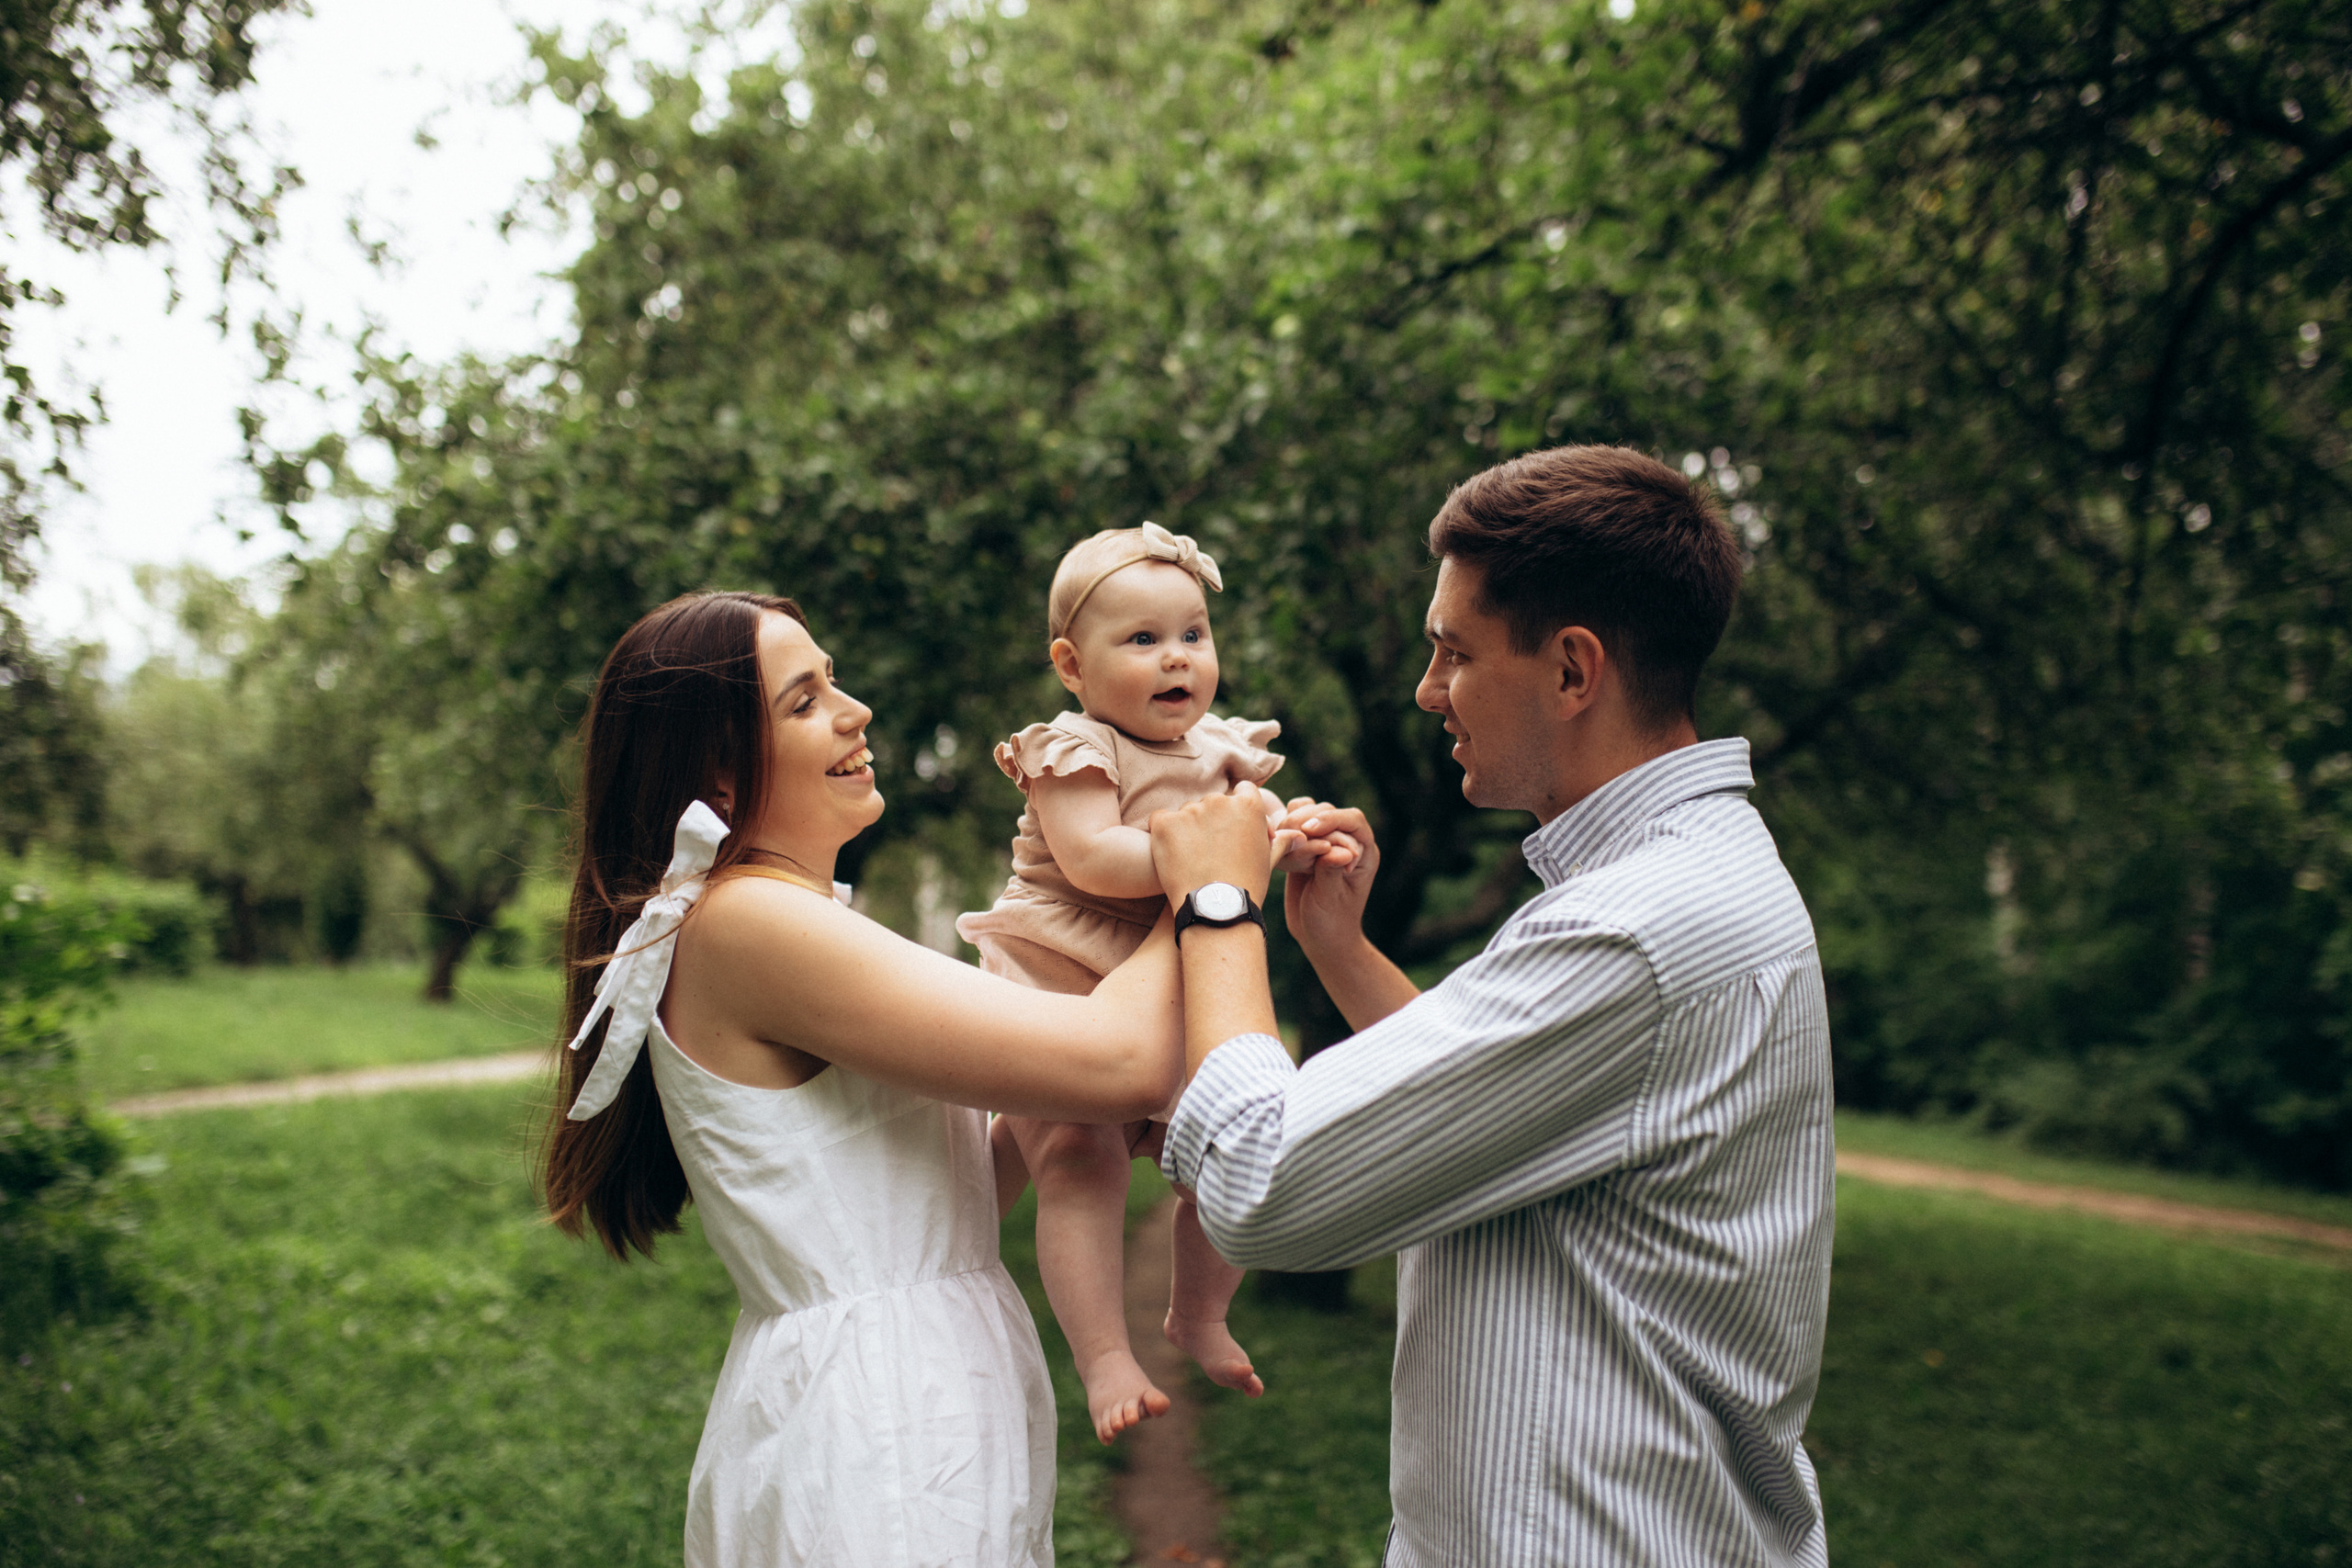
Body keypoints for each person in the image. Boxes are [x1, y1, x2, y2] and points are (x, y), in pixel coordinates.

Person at [1148, 445, 1837, 1566]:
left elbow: (1263, 1186)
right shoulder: (1691, 877)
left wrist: (1217, 903)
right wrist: (1336, 945)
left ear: (1572, 672)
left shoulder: (1636, 927)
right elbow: (1504, 1109)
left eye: (1453, 652)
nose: (1426, 691)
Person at [537, 591, 1202, 1568]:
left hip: (913, 1396)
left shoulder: (771, 919)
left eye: (833, 681)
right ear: (719, 772)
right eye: (804, 702)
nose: (856, 712)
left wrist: (1042, 1112)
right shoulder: (748, 922)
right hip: (881, 1427)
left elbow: (931, 1191)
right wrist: (1210, 881)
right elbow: (1122, 1059)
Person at [957, 522, 1299, 1442]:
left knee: (1233, 1146)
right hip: (1062, 975)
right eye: (1141, 641)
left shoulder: (1220, 745)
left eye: (1192, 635)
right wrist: (1210, 853)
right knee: (1080, 1157)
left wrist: (1288, 835)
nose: (1175, 660)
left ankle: (1197, 1314)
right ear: (1072, 665)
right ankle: (1104, 1354)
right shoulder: (1073, 749)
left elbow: (1250, 827)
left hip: (1166, 979)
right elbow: (1099, 861)